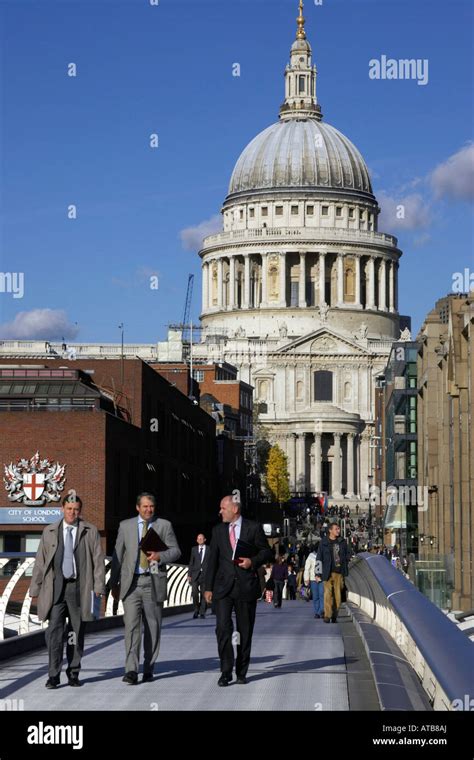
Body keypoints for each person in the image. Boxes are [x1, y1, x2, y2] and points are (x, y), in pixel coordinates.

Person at [29, 493, 105, 689]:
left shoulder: (90, 531)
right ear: (62, 509)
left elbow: (98, 561)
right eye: (69, 509)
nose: (73, 512)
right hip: (55, 589)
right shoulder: (50, 531)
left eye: (76, 509)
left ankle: (73, 673)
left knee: (76, 632)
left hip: (79, 589)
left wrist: (98, 586)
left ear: (80, 511)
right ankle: (53, 675)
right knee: (54, 633)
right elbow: (40, 561)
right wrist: (34, 587)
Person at [110, 492, 181, 684]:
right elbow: (117, 556)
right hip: (131, 584)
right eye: (145, 506)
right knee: (131, 628)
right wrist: (112, 584)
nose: (149, 509)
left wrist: (160, 556)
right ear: (137, 508)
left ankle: (149, 667)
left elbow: (176, 551)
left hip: (153, 582)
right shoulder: (125, 526)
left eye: (151, 506)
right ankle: (131, 670)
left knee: (152, 628)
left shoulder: (164, 525)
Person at [204, 494, 273, 686]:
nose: (220, 512)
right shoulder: (218, 531)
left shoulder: (253, 527)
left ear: (234, 509)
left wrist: (253, 561)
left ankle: (241, 671)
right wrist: (208, 588)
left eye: (222, 508)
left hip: (245, 586)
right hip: (223, 588)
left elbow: (266, 551)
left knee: (244, 631)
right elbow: (212, 560)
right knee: (223, 629)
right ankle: (226, 671)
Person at [315, 520, 350, 623]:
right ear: (330, 530)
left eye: (338, 529)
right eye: (336, 529)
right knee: (327, 594)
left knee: (338, 596)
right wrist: (317, 573)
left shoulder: (342, 541)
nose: (338, 531)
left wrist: (347, 560)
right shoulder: (324, 542)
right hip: (327, 572)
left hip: (339, 572)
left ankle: (334, 614)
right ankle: (327, 615)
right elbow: (319, 558)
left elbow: (348, 553)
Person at [187, 533, 209, 618]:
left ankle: (202, 612)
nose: (199, 540)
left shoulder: (209, 549)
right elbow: (191, 562)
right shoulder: (194, 549)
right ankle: (196, 610)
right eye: (198, 539)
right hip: (195, 575)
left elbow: (211, 562)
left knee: (204, 594)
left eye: (201, 538)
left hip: (205, 575)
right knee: (195, 593)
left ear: (204, 540)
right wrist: (189, 574)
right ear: (196, 540)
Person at [303, 544, 324, 619]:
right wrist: (306, 579)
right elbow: (307, 568)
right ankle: (317, 612)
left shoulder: (324, 555)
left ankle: (321, 611)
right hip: (313, 579)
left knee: (322, 595)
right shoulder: (311, 556)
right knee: (315, 596)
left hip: (322, 578)